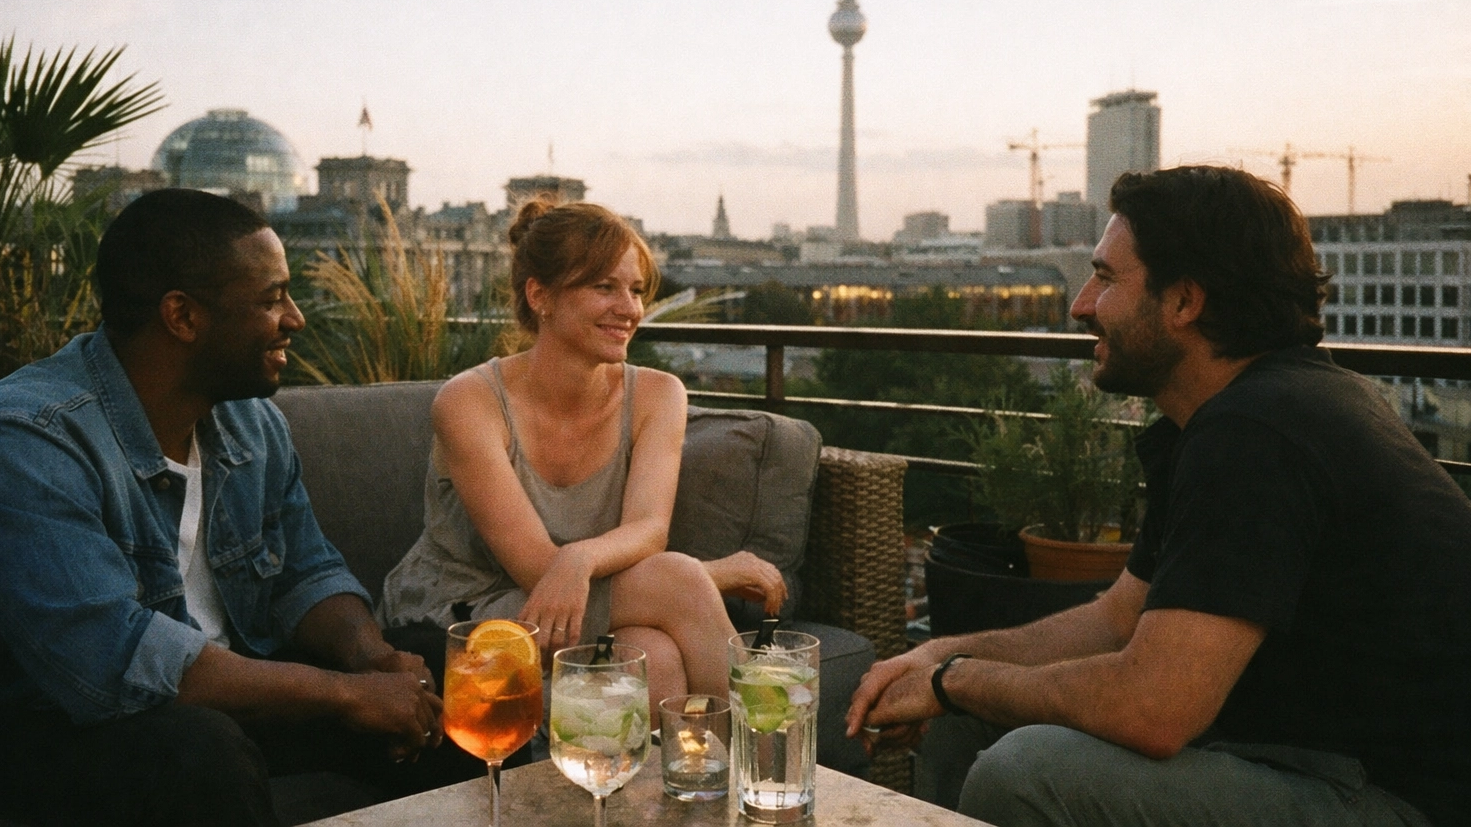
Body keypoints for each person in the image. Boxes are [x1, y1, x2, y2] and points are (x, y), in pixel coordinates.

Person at [847, 166, 1471, 827]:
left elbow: (1155, 709)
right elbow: (1117, 620)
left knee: (1026, 773)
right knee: (963, 719)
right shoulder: (1240, 413)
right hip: (1305, 755)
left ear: (1183, 302)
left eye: (1107, 278)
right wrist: (942, 659)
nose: (1080, 303)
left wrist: (959, 682)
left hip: (1399, 799)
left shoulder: (1261, 431)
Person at [0, 189, 481, 827]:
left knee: (447, 669)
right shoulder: (22, 443)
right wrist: (342, 695)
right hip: (73, 730)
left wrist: (371, 660)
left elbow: (305, 573)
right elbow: (116, 660)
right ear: (182, 317)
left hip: (229, 699)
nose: (296, 319)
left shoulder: (249, 422)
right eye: (271, 299)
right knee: (198, 752)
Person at [379, 198, 785, 712]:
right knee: (677, 588)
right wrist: (710, 575)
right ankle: (767, 760)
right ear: (540, 296)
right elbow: (536, 571)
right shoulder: (470, 402)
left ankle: (685, 787)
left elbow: (649, 529)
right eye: (604, 287)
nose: (631, 309)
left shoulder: (658, 395)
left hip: (571, 600)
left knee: (654, 656)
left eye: (635, 290)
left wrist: (582, 555)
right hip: (460, 619)